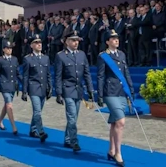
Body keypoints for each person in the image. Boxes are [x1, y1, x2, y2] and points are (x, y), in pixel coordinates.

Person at [97, 29, 135, 167]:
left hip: (121, 91)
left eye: (117, 38)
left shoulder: (122, 54)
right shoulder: (103, 56)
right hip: (110, 92)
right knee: (121, 122)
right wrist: (99, 94)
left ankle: (111, 150)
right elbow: (100, 76)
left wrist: (131, 89)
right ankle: (118, 153)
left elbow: (126, 73)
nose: (116, 40)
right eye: (112, 38)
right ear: (107, 42)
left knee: (114, 123)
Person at [54, 30, 93, 152]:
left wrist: (90, 89)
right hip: (67, 89)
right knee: (71, 117)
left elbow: (86, 73)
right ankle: (74, 141)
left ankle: (67, 139)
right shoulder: (60, 55)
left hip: (78, 90)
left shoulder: (81, 54)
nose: (76, 43)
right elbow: (58, 76)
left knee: (74, 117)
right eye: (73, 40)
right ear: (67, 42)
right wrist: (59, 93)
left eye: (77, 40)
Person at [21, 35, 52, 143]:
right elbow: (25, 76)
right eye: (36, 42)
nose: (39, 44)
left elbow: (48, 74)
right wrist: (24, 91)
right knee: (37, 111)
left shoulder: (45, 58)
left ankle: (32, 129)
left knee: (38, 111)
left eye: (40, 42)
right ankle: (41, 132)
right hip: (33, 87)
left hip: (43, 88)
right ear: (31, 45)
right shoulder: (27, 58)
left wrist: (50, 87)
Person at [0, 41, 21, 135]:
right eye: (7, 48)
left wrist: (24, 82)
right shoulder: (0, 60)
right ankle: (14, 126)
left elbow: (17, 73)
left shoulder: (14, 59)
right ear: (3, 49)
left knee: (7, 105)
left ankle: (0, 121)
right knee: (9, 105)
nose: (9, 50)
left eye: (10, 48)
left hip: (13, 85)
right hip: (4, 84)